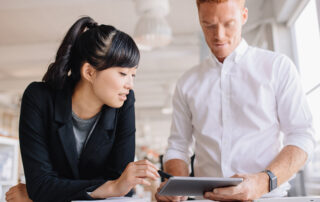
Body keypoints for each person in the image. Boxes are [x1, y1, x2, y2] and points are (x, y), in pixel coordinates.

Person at [155, 0, 316, 201]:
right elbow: (178, 147)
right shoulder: (187, 83)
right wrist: (176, 186)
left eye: (228, 23)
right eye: (209, 25)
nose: (219, 35)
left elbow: (302, 135)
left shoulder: (277, 67)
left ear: (244, 16)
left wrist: (263, 181)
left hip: (266, 198)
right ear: (200, 21)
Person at [5, 16, 160, 202]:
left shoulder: (124, 103)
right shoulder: (39, 98)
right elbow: (41, 185)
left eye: (133, 75)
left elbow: (123, 188)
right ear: (89, 72)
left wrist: (43, 195)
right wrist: (110, 187)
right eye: (123, 73)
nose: (130, 85)